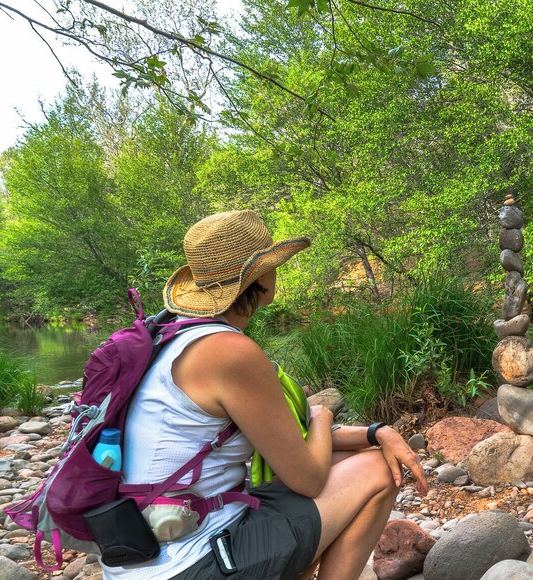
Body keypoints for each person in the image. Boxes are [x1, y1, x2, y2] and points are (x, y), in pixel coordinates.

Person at [101, 210, 428, 580]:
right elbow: (308, 478)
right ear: (259, 277)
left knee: (348, 461)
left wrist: (376, 432)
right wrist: (323, 415)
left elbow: (291, 443)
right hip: (187, 566)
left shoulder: (170, 338)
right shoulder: (228, 352)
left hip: (141, 557)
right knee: (377, 469)